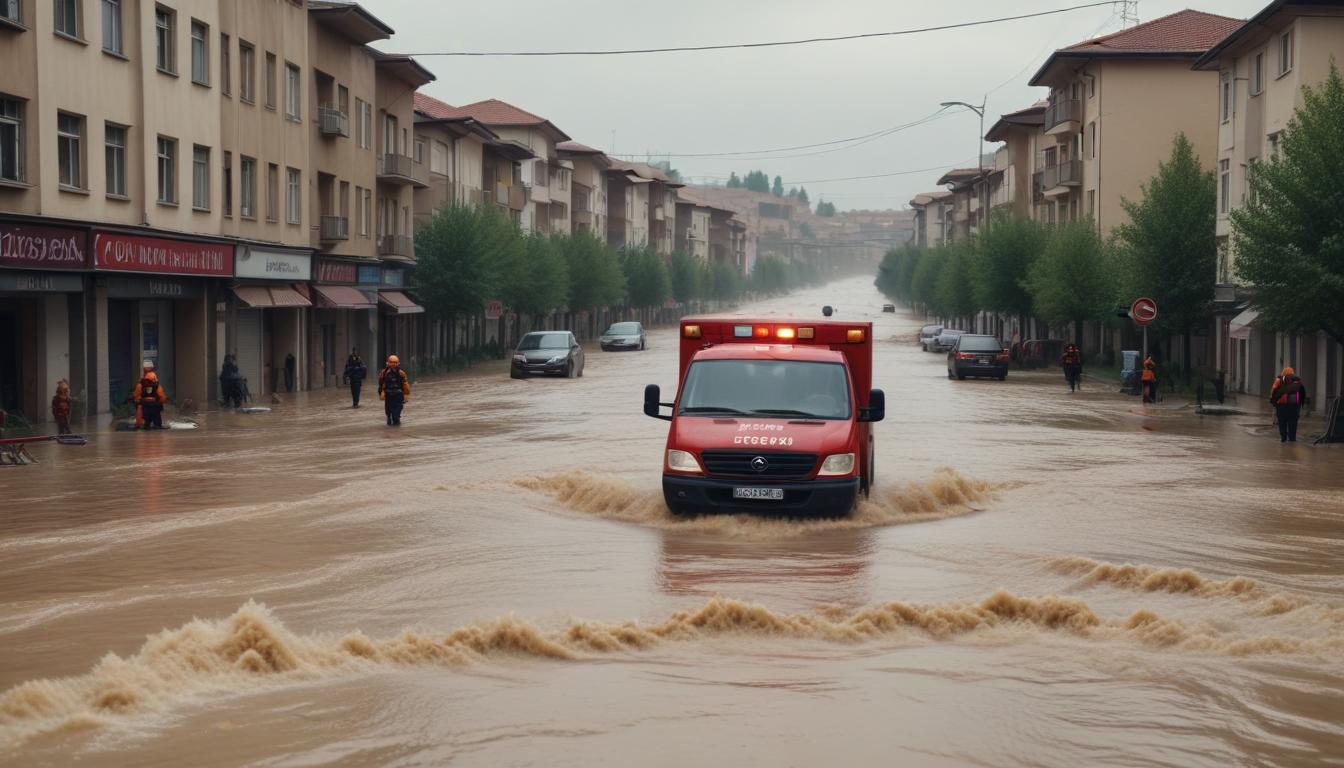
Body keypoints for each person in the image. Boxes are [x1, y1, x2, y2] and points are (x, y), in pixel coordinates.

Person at [1268, 366, 1308, 443]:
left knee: (1282, 422)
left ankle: (1283, 438)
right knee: (1293, 423)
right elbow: (1302, 393)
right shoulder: (1297, 381)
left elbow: (1273, 392)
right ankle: (1292, 438)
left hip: (1281, 406)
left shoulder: (1279, 380)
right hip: (1293, 406)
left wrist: (1274, 403)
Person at [378, 354, 410, 426]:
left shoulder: (401, 373)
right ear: (388, 363)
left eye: (395, 363)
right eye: (391, 363)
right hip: (388, 395)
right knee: (388, 412)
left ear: (397, 363)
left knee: (396, 415)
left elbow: (405, 385)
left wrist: (406, 395)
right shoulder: (384, 373)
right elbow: (381, 384)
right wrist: (381, 393)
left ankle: (396, 420)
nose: (393, 364)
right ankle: (389, 419)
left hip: (398, 395)